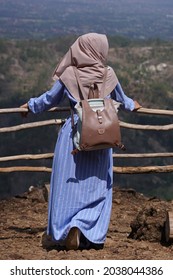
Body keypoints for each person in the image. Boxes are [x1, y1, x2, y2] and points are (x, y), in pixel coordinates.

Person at [20, 33, 141, 250]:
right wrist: (134, 104)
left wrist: (30, 105)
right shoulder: (108, 74)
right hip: (100, 137)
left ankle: (68, 226)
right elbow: (123, 100)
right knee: (98, 186)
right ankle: (86, 228)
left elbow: (49, 99)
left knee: (68, 185)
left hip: (74, 138)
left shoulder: (69, 74)